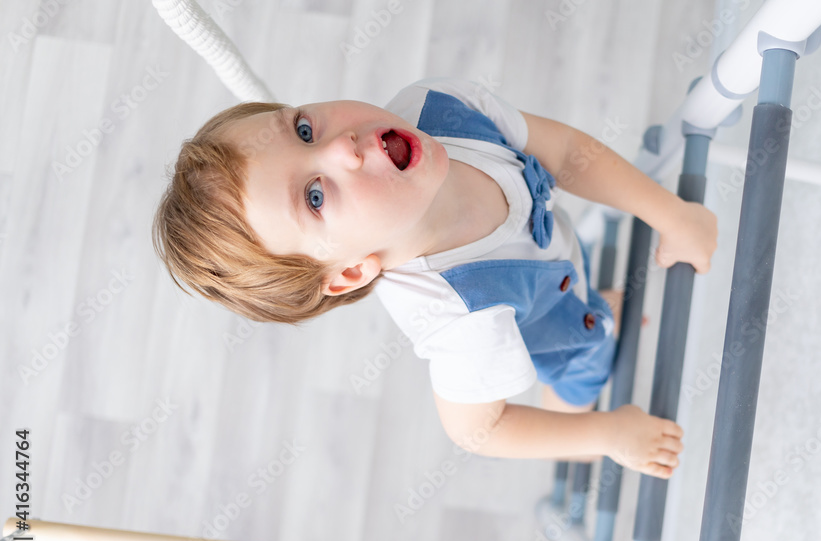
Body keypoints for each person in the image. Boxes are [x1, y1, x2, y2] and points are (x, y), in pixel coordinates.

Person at [152, 78, 717, 479]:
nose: (341, 146)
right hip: (556, 336)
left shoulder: (439, 106)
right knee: (580, 371)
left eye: (303, 129)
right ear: (353, 270)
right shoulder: (458, 317)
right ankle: (586, 425)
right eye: (315, 197)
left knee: (581, 283)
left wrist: (671, 215)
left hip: (560, 259)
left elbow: (567, 152)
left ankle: (595, 302)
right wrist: (608, 433)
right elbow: (478, 430)